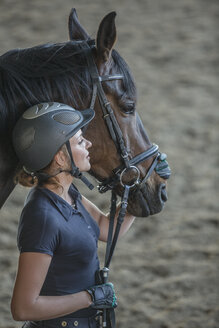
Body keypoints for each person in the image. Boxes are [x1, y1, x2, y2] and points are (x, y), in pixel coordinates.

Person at [11, 102, 135, 328]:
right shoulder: (42, 217)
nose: (89, 143)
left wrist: (138, 194)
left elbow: (105, 227)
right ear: (59, 157)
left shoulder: (67, 192)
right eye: (79, 141)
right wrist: (90, 298)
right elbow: (23, 307)